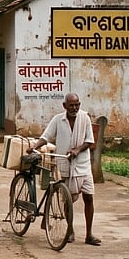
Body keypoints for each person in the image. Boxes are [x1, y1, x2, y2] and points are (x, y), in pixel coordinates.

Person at [28, 92, 99, 245]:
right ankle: (70, 230)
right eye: (71, 105)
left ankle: (89, 234)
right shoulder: (58, 120)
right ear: (65, 106)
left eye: (77, 105)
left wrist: (77, 150)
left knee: (89, 197)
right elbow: (46, 137)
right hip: (65, 164)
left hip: (83, 165)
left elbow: (89, 141)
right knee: (68, 199)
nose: (74, 108)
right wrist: (34, 146)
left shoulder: (84, 118)